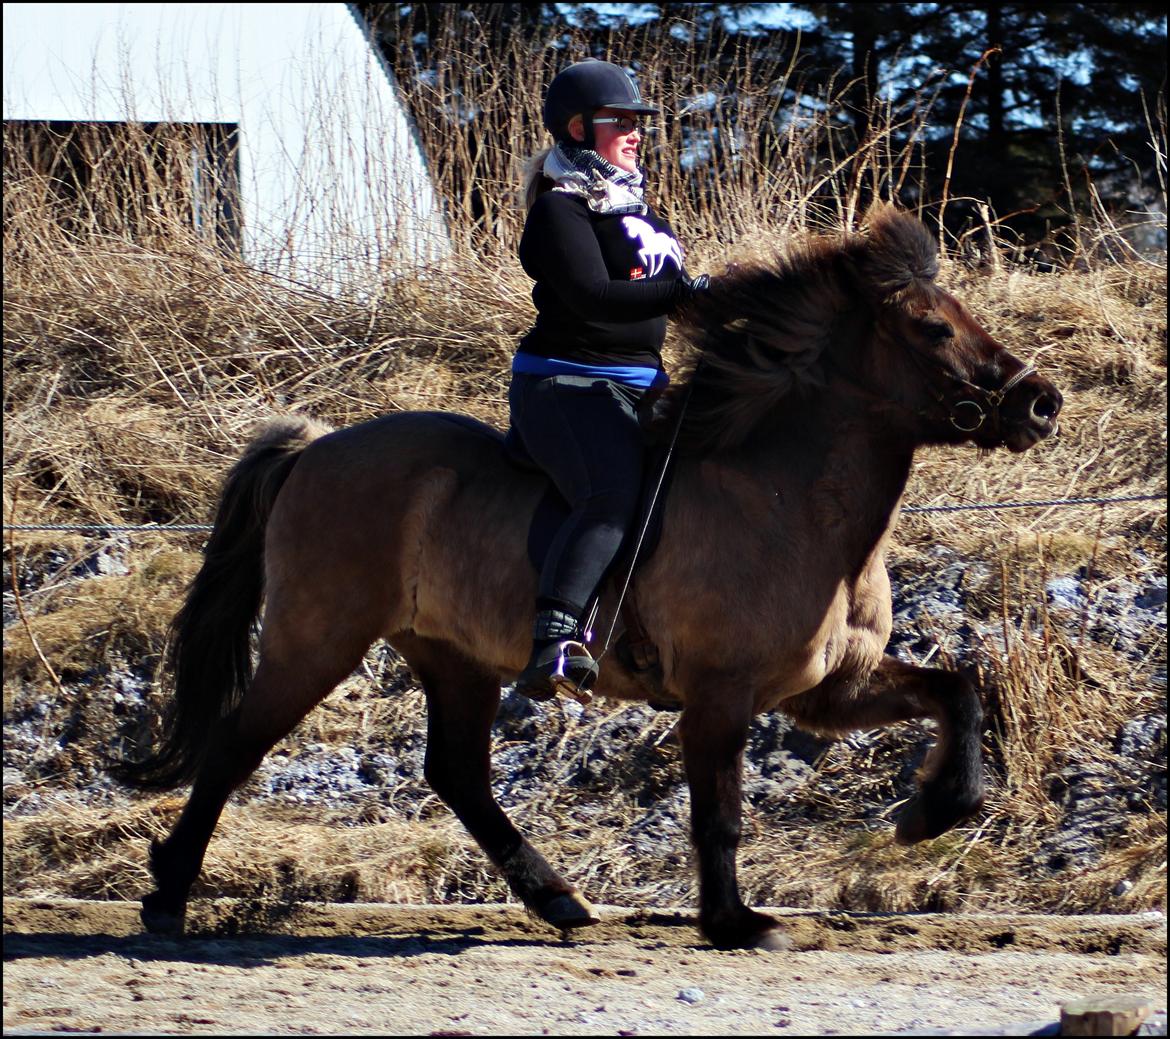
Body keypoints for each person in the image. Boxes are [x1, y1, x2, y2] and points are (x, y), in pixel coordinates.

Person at [509, 58, 710, 702]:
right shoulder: (559, 211)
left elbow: (662, 295)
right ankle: (556, 639)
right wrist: (680, 290)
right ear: (576, 129)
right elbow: (596, 295)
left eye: (638, 122)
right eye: (618, 121)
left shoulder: (640, 210)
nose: (635, 132)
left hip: (641, 383)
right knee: (612, 498)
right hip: (568, 384)